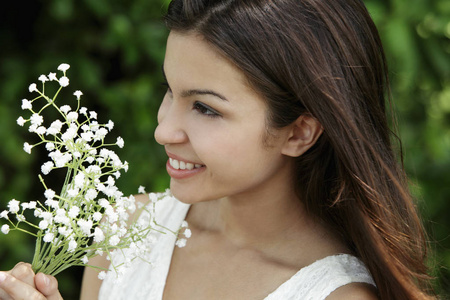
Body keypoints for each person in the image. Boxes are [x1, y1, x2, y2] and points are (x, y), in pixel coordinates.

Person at [0, 0, 436, 299]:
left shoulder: (333, 294)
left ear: (299, 133)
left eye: (205, 108)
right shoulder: (127, 231)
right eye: (169, 91)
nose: (164, 130)